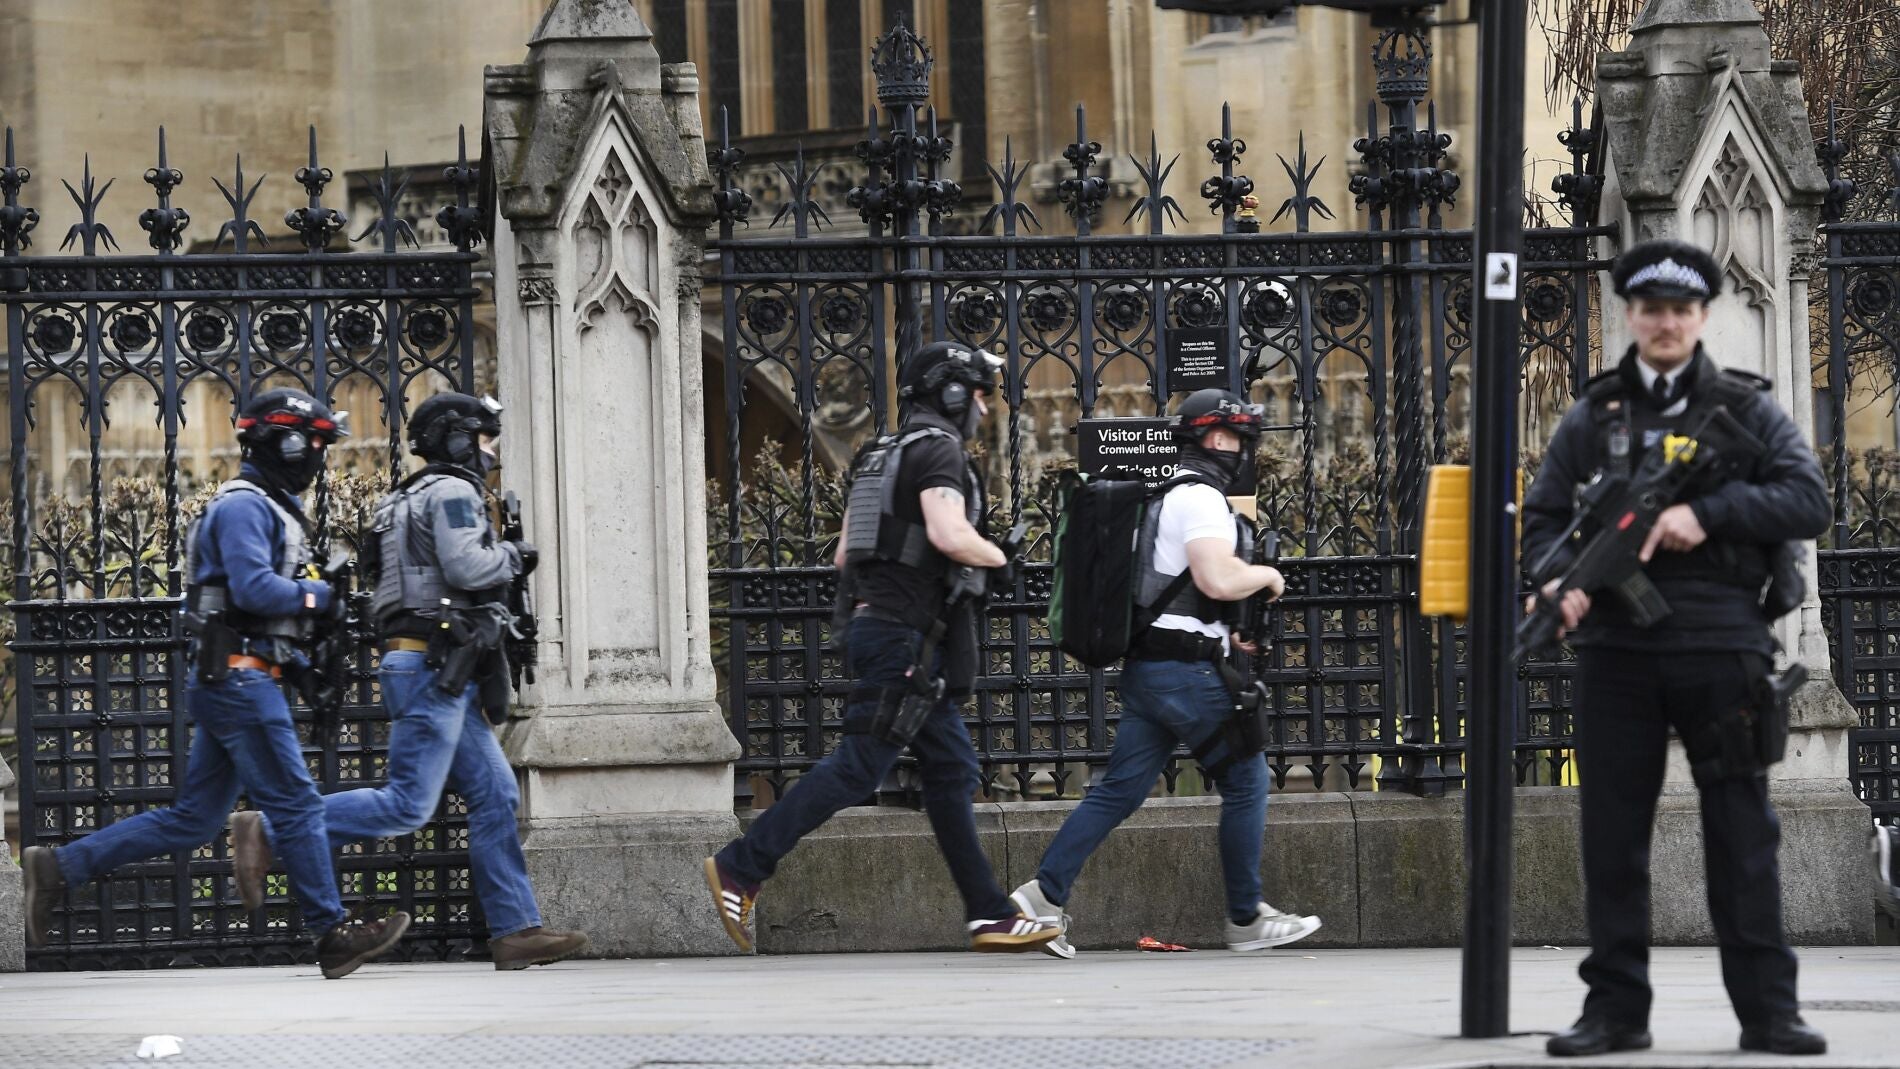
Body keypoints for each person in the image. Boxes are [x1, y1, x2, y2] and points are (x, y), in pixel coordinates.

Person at [1522, 239, 1831, 1057]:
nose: (1665, 322)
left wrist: (1711, 512)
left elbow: (1808, 498)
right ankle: (1616, 1011)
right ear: (1630, 314)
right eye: (1651, 308)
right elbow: (1545, 522)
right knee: (1612, 836)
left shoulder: (1750, 408)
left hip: (1723, 645)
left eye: (1680, 309)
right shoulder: (1595, 415)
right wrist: (1560, 582)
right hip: (1616, 651)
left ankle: (1770, 1011)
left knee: (1743, 835)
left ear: (1701, 316)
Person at [19, 388, 410, 979]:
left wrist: (302, 666)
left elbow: (248, 605)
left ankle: (58, 867)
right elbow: (253, 589)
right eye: (316, 445)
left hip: (241, 676)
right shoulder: (244, 507)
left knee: (194, 820)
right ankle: (331, 931)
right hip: (239, 680)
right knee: (299, 806)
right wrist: (319, 595)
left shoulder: (265, 506)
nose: (319, 459)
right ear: (288, 442)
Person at [703, 341, 1060, 955]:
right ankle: (741, 865)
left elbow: (847, 553)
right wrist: (999, 557)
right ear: (950, 393)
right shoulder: (940, 452)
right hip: (904, 635)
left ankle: (989, 914)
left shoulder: (881, 454)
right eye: (977, 392)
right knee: (859, 765)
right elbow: (949, 532)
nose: (981, 405)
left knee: (951, 771)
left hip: (885, 628)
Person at [228, 392, 587, 971]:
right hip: (432, 664)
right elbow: (468, 566)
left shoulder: (404, 497)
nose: (490, 451)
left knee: (495, 794)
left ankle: (516, 930)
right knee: (407, 805)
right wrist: (516, 557)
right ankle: (271, 831)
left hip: (432, 662)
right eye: (484, 438)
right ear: (458, 438)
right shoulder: (451, 492)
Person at [1008, 388, 1320, 958]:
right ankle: (1247, 917)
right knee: (1247, 779)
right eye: (1240, 437)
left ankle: (1041, 896)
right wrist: (1269, 578)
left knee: (1118, 793)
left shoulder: (1163, 494)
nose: (1243, 447)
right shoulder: (1199, 497)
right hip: (1186, 673)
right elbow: (1216, 579)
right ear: (1216, 436)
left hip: (1152, 670)